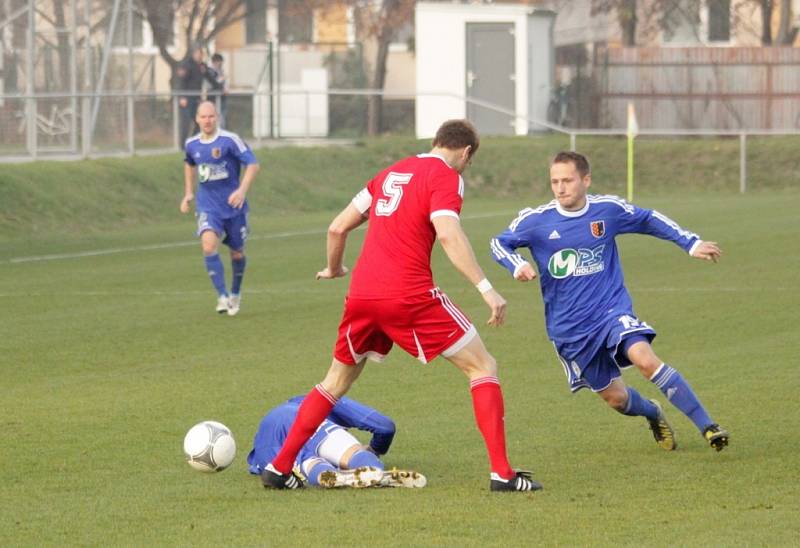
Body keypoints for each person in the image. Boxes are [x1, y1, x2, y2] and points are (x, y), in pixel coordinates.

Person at [260, 119, 541, 493]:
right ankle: (502, 474)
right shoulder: (445, 176)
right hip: (408, 294)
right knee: (482, 365)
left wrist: (333, 268)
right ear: (466, 152)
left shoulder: (389, 173)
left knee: (334, 382)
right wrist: (486, 288)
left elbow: (337, 227)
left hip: (361, 295)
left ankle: (279, 468)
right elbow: (447, 233)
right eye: (468, 162)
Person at [490, 151, 729, 452]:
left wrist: (690, 242)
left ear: (586, 180)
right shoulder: (536, 220)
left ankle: (708, 426)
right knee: (617, 399)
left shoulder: (607, 210)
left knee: (645, 360)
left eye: (567, 180)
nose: (560, 188)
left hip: (610, 311)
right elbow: (498, 242)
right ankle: (652, 412)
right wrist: (516, 264)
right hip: (569, 328)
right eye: (554, 181)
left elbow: (648, 219)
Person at [180, 101, 259, 316]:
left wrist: (242, 190)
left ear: (217, 118)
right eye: (203, 117)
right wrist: (188, 193)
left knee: (236, 253)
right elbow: (189, 164)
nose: (207, 120)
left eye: (211, 116)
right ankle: (222, 296)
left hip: (234, 207)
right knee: (208, 246)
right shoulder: (192, 144)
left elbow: (252, 164)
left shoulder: (230, 140)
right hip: (208, 206)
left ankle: (235, 293)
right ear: (197, 119)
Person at [248, 395, 426, 488]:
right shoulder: (325, 397)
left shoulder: (311, 399)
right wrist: (373, 450)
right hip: (294, 415)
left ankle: (333, 476)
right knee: (351, 451)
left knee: (306, 459)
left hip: (266, 447)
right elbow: (385, 427)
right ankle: (373, 470)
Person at [176, 46, 207, 148]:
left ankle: (192, 142)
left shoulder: (202, 66)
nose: (200, 56)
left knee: (199, 122)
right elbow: (181, 81)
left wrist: (220, 87)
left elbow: (210, 78)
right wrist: (182, 97)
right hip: (187, 98)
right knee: (185, 123)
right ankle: (182, 146)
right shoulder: (186, 65)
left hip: (197, 99)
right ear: (193, 54)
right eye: (198, 53)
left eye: (201, 54)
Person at [206, 53, 228, 128]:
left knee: (222, 117)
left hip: (222, 98)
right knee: (216, 117)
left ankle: (222, 133)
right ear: (215, 62)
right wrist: (221, 79)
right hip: (213, 98)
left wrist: (225, 88)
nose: (221, 64)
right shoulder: (209, 71)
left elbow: (224, 83)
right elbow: (213, 83)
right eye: (220, 62)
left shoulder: (221, 70)